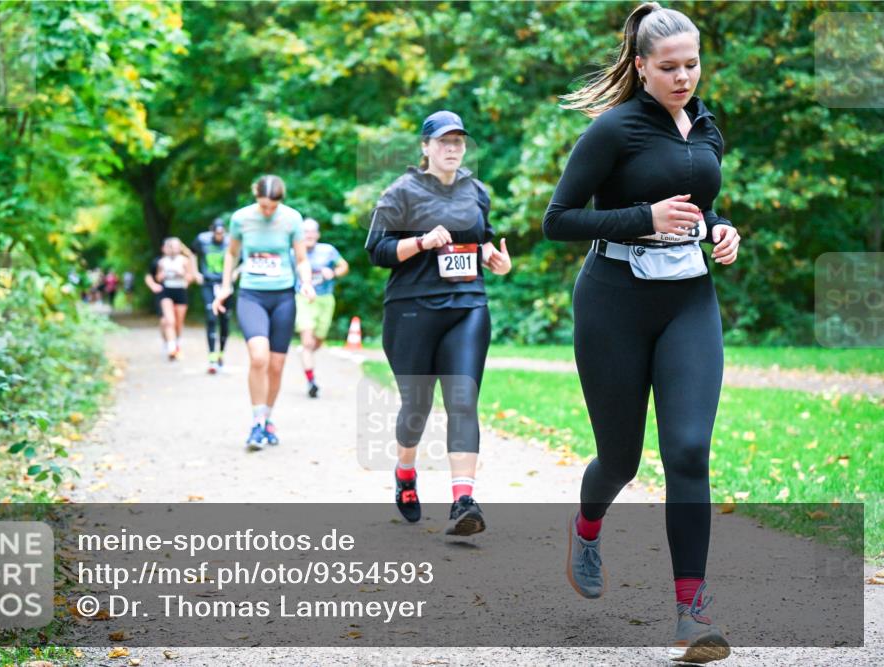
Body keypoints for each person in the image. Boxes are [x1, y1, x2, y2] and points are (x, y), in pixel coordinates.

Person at [542, 3, 741, 663]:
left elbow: (698, 199)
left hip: (689, 302)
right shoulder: (613, 130)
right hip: (614, 303)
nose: (684, 77)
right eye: (670, 67)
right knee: (621, 459)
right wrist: (639, 218)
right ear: (641, 67)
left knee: (687, 450)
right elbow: (558, 219)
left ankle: (692, 612)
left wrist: (719, 227)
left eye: (692, 64)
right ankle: (588, 526)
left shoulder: (706, 124)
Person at [365, 110, 512, 537]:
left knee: (462, 400)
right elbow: (376, 250)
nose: (452, 148)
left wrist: (492, 258)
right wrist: (421, 241)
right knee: (417, 405)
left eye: (459, 142)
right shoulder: (400, 193)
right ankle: (406, 473)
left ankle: (463, 501)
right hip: (411, 309)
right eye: (444, 142)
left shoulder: (476, 190)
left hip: (467, 305)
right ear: (425, 147)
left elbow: (480, 237)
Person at [213, 175, 316, 450]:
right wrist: (225, 286)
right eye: (263, 206)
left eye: (273, 207)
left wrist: (305, 282)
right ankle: (257, 422)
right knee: (258, 357)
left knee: (276, 365)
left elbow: (302, 258)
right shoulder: (241, 218)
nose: (268, 211)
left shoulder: (292, 219)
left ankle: (268, 418)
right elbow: (232, 254)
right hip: (251, 295)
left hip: (283, 296)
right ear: (255, 196)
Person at [295, 217, 349, 397]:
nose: (308, 234)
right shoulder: (293, 251)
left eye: (312, 231)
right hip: (303, 299)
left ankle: (305, 354)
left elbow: (344, 267)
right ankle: (311, 381)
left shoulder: (328, 250)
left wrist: (333, 272)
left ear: (317, 234)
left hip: (325, 299)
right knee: (307, 341)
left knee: (316, 342)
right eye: (305, 231)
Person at [193, 218, 232, 374]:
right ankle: (211, 357)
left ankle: (221, 353)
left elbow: (241, 258)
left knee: (225, 320)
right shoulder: (202, 240)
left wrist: (234, 273)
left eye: (221, 233)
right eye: (216, 233)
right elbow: (192, 253)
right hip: (208, 283)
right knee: (210, 317)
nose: (219, 236)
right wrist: (195, 272)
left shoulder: (230, 241)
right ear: (212, 231)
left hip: (225, 285)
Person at [155, 237, 198, 361]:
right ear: (167, 248)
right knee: (169, 320)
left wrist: (182, 274)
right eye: (171, 246)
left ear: (179, 247)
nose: (173, 248)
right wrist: (161, 276)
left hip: (180, 291)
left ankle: (177, 342)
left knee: (179, 322)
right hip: (167, 291)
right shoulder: (162, 262)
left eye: (176, 246)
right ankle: (171, 347)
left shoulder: (184, 261)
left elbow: (191, 278)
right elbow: (158, 277)